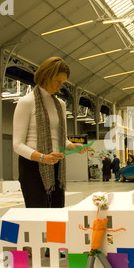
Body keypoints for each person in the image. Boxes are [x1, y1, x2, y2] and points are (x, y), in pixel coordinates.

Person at [13, 57, 86, 208]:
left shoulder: (61, 105)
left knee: (57, 212)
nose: (60, 86)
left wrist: (74, 147)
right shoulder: (26, 102)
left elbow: (63, 140)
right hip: (33, 167)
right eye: (57, 81)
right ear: (46, 76)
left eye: (63, 82)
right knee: (38, 214)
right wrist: (42, 157)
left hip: (56, 167)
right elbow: (17, 144)